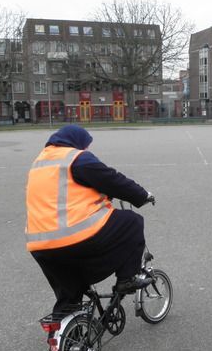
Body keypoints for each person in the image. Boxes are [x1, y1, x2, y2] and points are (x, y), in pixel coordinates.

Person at [25, 125, 155, 315]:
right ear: (77, 142)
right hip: (74, 239)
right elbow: (112, 180)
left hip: (40, 246)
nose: (86, 149)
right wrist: (142, 196)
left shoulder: (39, 163)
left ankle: (63, 336)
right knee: (131, 222)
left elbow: (67, 194)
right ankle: (127, 279)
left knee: (70, 294)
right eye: (86, 145)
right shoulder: (76, 158)